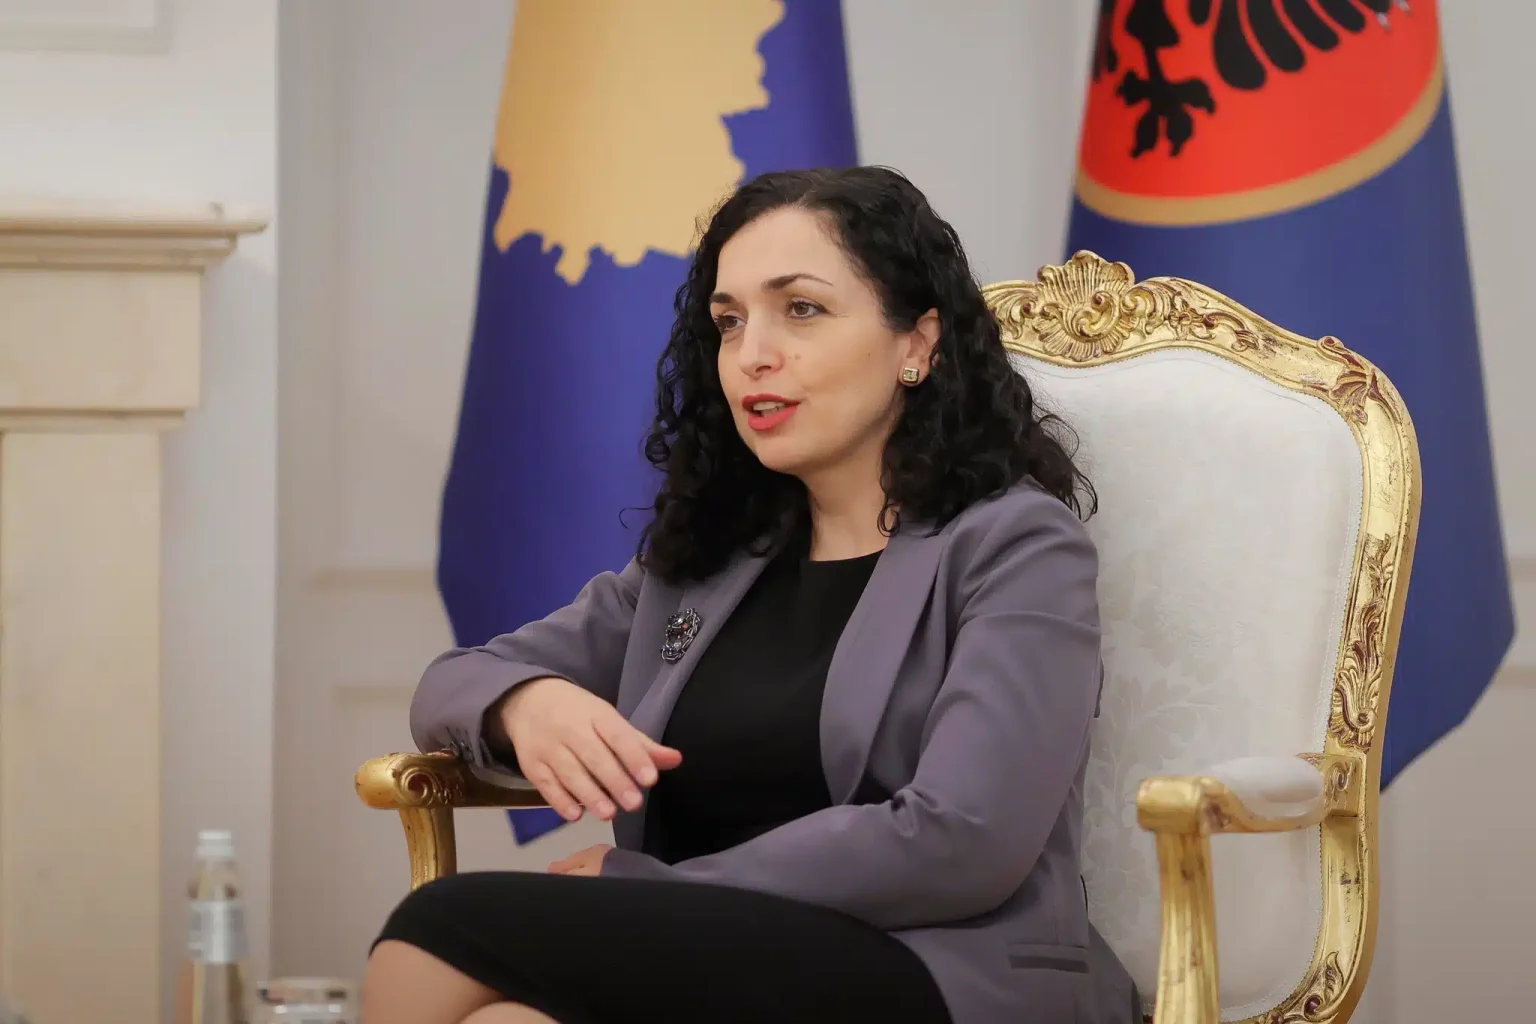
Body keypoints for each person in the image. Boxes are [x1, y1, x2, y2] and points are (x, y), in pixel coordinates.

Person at [364, 166, 1139, 1024]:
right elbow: (451, 684)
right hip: (706, 968)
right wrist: (526, 702)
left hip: (941, 970)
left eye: (800, 309)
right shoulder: (712, 559)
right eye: (729, 321)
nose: (751, 354)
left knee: (441, 923)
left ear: (917, 344)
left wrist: (657, 889)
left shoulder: (1016, 546)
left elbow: (965, 838)